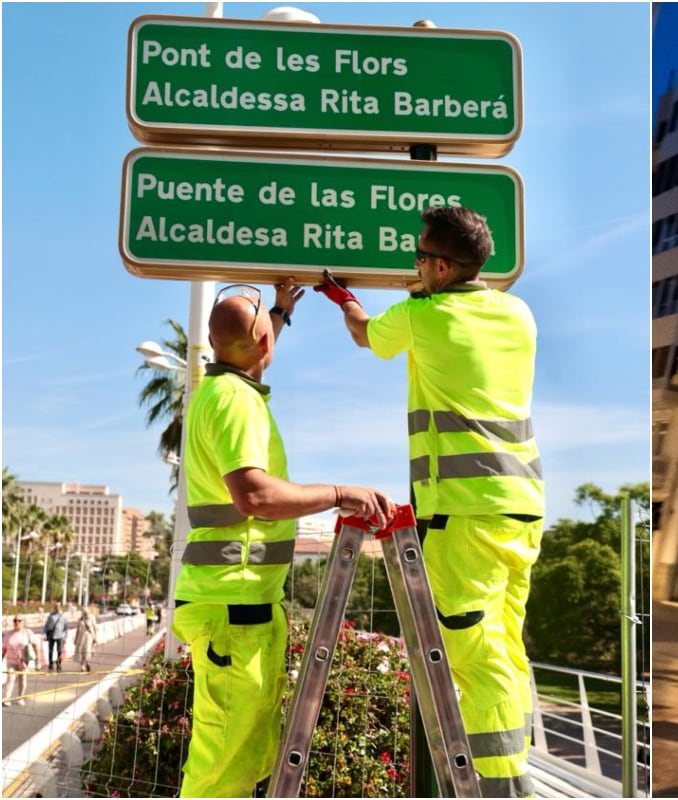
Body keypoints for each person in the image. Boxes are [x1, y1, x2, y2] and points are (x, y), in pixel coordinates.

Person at [316, 206, 544, 797]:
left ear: (442, 266)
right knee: (505, 646)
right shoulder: (519, 314)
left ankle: (500, 787)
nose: (414, 266)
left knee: (474, 656)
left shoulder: (424, 316)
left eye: (420, 258)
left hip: (462, 513)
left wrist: (340, 295)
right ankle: (513, 768)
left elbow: (367, 332)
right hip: (521, 509)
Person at [171, 281, 396, 798]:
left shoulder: (221, 389)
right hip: (235, 605)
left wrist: (279, 311)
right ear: (264, 346)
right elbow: (254, 495)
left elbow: (251, 349)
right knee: (223, 764)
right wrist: (341, 493)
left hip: (238, 605)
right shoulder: (236, 403)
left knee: (242, 752)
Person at [3, 616, 46, 706]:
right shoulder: (8, 634)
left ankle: (20, 698)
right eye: (15, 620)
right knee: (10, 678)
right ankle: (7, 698)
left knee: (22, 679)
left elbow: (36, 645)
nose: (17, 622)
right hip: (11, 661)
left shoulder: (28, 633)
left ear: (23, 622)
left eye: (19, 620)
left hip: (23, 661)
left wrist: (38, 661)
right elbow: (4, 648)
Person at [74, 606, 99, 673]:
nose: (85, 614)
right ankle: (82, 666)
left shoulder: (91, 618)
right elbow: (78, 630)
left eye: (86, 612)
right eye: (84, 612)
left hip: (89, 636)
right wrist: (75, 639)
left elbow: (95, 628)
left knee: (87, 650)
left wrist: (95, 638)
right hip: (81, 636)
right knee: (81, 651)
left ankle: (87, 663)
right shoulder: (80, 620)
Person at [43, 605, 67, 671]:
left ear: (60, 607)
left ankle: (59, 665)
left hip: (59, 636)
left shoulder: (63, 616)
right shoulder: (51, 616)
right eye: (56, 606)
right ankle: (50, 664)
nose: (57, 608)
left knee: (59, 651)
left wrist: (65, 637)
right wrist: (44, 633)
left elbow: (66, 627)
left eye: (58, 606)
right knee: (50, 651)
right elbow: (46, 625)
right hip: (51, 636)